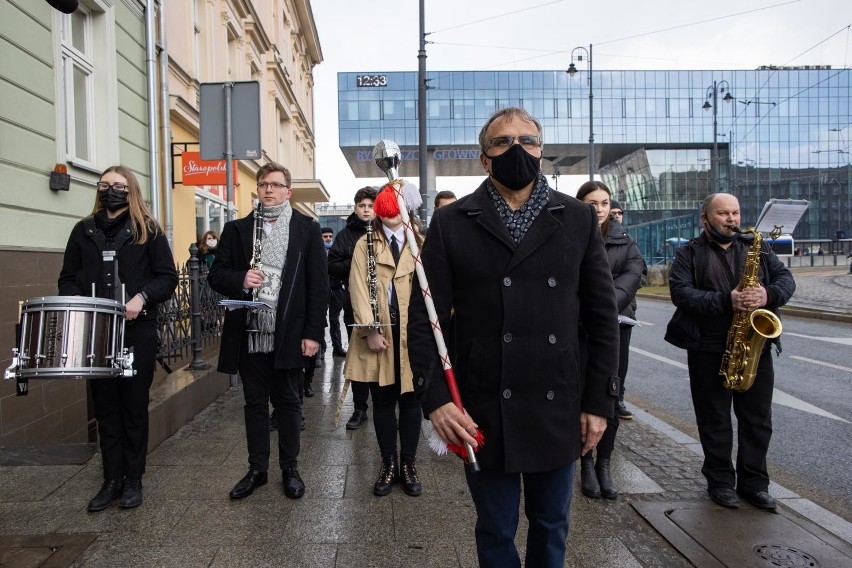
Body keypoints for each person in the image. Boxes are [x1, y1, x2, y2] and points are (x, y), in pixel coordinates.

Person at [408, 107, 619, 567]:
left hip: (557, 403)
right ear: (484, 158)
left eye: (527, 140)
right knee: (496, 529)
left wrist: (599, 404)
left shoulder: (578, 218)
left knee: (551, 526)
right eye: (503, 142)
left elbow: (603, 319)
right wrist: (437, 400)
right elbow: (426, 320)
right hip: (481, 407)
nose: (516, 149)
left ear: (540, 151)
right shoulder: (453, 222)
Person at [58, 165, 178, 512]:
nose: (112, 190)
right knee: (105, 407)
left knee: (133, 407)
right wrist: (77, 300)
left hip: (136, 330)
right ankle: (111, 479)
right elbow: (67, 278)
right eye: (106, 184)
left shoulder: (148, 230)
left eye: (120, 185)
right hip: (96, 331)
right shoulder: (83, 230)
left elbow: (167, 277)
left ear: (132, 190)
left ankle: (133, 479)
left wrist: (141, 297)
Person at [665, 193, 795, 512]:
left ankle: (754, 484)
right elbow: (681, 294)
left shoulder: (757, 247)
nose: (732, 219)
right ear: (705, 218)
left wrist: (767, 294)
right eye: (723, 213)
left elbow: (786, 281)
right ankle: (720, 482)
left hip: (754, 345)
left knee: (757, 420)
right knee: (715, 420)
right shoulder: (688, 253)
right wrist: (728, 301)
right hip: (708, 348)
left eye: (736, 213)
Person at [208, 162, 328, 500]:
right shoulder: (236, 229)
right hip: (250, 332)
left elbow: (318, 287)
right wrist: (240, 279)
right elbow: (217, 275)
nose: (268, 189)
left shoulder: (306, 228)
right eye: (263, 184)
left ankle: (290, 468)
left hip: (289, 332)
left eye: (275, 184)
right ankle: (257, 469)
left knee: (289, 403)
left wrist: (313, 334)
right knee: (254, 403)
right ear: (257, 190)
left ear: (288, 191)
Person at [344, 193, 424, 497]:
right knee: (383, 402)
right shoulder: (365, 243)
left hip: (411, 335)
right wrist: (370, 330)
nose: (393, 212)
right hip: (379, 333)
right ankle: (388, 463)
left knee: (411, 402)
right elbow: (358, 288)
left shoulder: (420, 242)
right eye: (388, 206)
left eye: (399, 205)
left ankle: (409, 464)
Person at [575, 181, 645, 499]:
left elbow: (632, 276)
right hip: (577, 329)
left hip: (615, 327)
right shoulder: (571, 235)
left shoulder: (625, 241)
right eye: (592, 203)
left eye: (604, 203)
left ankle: (604, 464)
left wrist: (601, 305)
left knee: (611, 397)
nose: (600, 209)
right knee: (582, 395)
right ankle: (586, 462)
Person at [328, 186, 377, 430]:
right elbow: (332, 265)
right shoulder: (345, 235)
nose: (366, 210)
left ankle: (385, 406)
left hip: (384, 303)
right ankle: (360, 408)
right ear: (355, 208)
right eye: (362, 206)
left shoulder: (385, 230)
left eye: (370, 206)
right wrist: (357, 261)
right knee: (358, 354)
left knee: (385, 354)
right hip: (354, 301)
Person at [322, 227, 346, 359]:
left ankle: (337, 347)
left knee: (335, 320)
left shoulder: (335, 251)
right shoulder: (316, 251)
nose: (328, 239)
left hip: (336, 289)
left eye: (330, 236)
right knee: (320, 319)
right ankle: (321, 349)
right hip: (322, 290)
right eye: (325, 236)